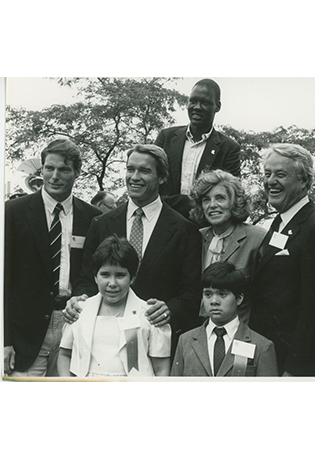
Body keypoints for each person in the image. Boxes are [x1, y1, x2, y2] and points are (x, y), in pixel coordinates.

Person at [63, 144, 202, 354]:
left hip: (155, 342)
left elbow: (192, 292)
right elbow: (86, 279)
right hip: (103, 342)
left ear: (162, 177)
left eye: (144, 171)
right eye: (130, 169)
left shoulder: (185, 230)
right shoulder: (101, 224)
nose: (134, 177)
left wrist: (170, 309)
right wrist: (79, 298)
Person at [4, 138, 101, 377]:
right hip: (25, 336)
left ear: (77, 172)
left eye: (64, 169)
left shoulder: (92, 218)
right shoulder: (11, 213)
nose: (55, 176)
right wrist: (4, 340)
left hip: (73, 325)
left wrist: (81, 296)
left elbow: (90, 272)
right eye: (49, 168)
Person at [249, 144, 315, 376]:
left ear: (305, 182)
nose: (270, 181)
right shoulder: (279, 221)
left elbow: (313, 310)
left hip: (289, 362)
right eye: (267, 174)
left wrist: (295, 370)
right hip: (266, 351)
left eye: (280, 174)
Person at [58, 236, 171, 377]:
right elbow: (64, 354)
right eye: (105, 275)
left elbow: (161, 368)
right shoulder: (81, 310)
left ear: (132, 278)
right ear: (95, 277)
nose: (112, 283)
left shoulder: (149, 314)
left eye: (120, 275)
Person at [171, 261, 278, 377]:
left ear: (239, 298)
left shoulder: (261, 346)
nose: (214, 301)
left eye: (222, 294)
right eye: (208, 294)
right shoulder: (185, 341)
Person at [155, 78, 241, 218]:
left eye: (205, 102)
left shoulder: (229, 148)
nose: (197, 107)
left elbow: (231, 195)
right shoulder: (166, 138)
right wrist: (187, 202)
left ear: (217, 106)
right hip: (164, 221)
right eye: (193, 101)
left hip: (204, 227)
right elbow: (152, 181)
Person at [189, 169, 267, 324]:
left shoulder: (257, 238)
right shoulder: (196, 237)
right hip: (199, 330)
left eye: (220, 198)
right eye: (206, 200)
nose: (212, 205)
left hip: (241, 330)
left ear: (234, 202)